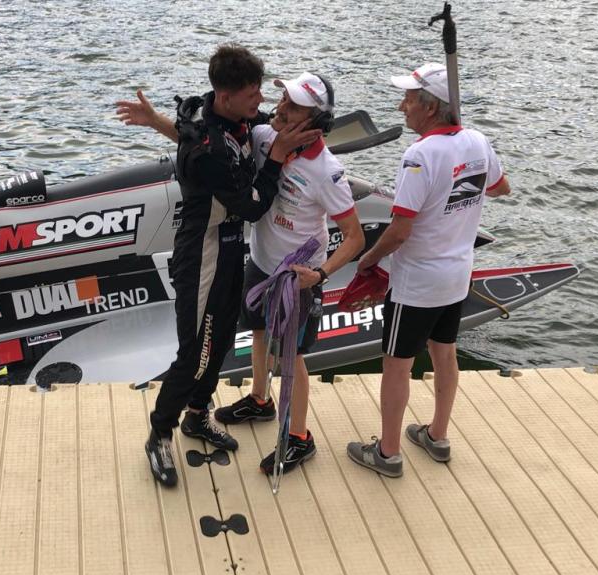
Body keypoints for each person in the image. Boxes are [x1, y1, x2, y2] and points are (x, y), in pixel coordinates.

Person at [118, 45, 320, 488]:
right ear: (226, 97)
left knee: (223, 339)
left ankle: (196, 415)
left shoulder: (225, 114)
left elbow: (188, 133)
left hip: (230, 250)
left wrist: (155, 121)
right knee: (194, 352)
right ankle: (159, 434)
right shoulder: (209, 148)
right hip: (202, 254)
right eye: (252, 95)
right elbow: (253, 205)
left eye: (260, 93)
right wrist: (278, 156)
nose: (260, 103)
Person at [346, 62, 510, 477]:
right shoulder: (477, 140)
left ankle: (387, 453)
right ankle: (437, 435)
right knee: (445, 353)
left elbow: (400, 230)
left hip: (417, 282)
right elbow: (500, 188)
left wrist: (367, 260)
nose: (402, 107)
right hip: (457, 275)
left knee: (397, 364)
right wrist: (466, 168)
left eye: (408, 99)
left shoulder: (419, 155)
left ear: (431, 107)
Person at [213, 73, 365, 475]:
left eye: (294, 105)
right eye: (283, 98)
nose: (280, 108)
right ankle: (260, 400)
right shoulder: (265, 135)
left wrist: (321, 275)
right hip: (261, 261)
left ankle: (299, 437)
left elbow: (355, 237)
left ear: (316, 122)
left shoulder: (328, 172)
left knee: (292, 358)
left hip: (297, 277)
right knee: (258, 333)